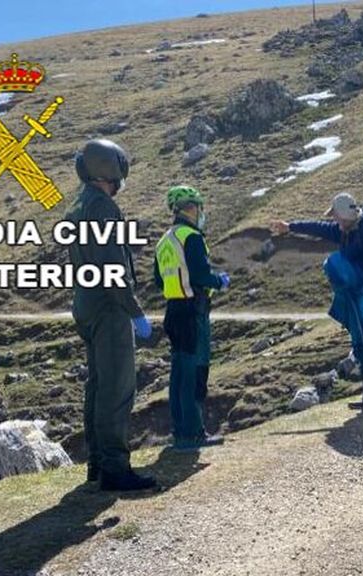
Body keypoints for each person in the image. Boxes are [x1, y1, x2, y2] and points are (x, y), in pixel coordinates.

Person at [65, 139, 157, 491]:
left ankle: (98, 465)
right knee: (117, 389)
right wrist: (134, 311)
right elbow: (112, 268)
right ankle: (115, 469)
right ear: (110, 170)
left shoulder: (80, 205)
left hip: (86, 303)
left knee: (98, 387)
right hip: (108, 307)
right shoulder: (102, 207)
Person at [271, 192, 363, 410]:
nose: (334, 221)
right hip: (356, 294)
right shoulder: (346, 229)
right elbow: (320, 228)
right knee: (361, 339)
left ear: (345, 215)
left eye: (336, 217)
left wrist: (358, 270)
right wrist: (291, 226)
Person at [153, 186, 229, 451]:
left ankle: (180, 431)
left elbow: (157, 279)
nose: (201, 212)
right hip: (193, 310)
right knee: (195, 372)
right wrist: (219, 281)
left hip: (173, 309)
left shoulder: (165, 240)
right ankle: (192, 434)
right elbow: (200, 275)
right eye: (199, 207)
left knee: (178, 374)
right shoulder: (192, 237)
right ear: (191, 208)